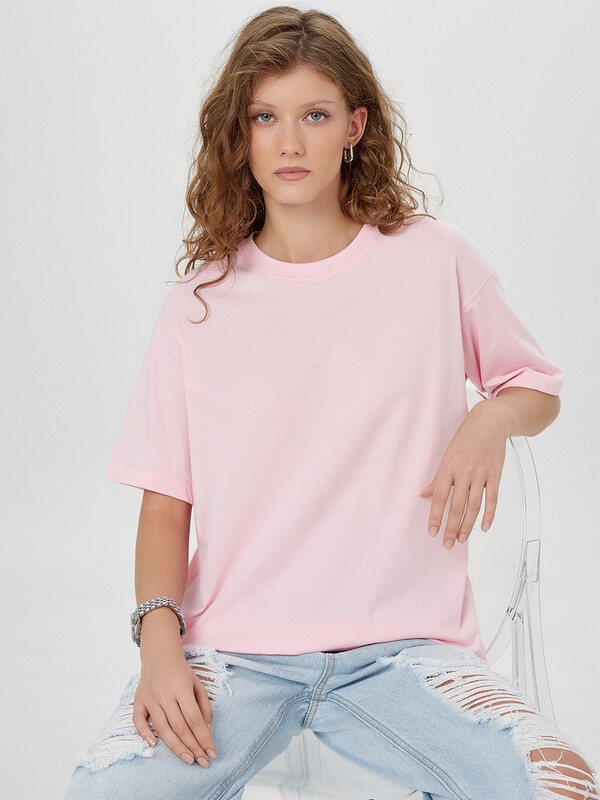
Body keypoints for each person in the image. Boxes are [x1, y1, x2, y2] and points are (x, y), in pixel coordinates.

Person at [63, 6, 599, 800]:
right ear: (239, 135)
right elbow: (166, 503)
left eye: (314, 115)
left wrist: (491, 415)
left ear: (355, 125)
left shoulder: (436, 260)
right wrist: (160, 648)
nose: (289, 142)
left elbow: (536, 387)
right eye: (265, 118)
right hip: (235, 657)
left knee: (560, 787)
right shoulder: (198, 305)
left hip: (407, 653)